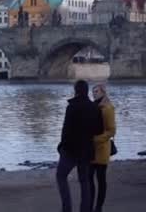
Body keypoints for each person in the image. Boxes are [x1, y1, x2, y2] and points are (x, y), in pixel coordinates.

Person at [56, 80, 104, 212]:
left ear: (76, 91)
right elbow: (99, 130)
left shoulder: (72, 107)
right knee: (84, 180)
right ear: (87, 91)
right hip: (87, 150)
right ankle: (85, 209)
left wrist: (61, 147)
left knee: (61, 176)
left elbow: (66, 130)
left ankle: (67, 208)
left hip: (70, 149)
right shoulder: (94, 108)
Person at [90, 84, 116, 212]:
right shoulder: (92, 106)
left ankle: (98, 207)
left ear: (103, 92)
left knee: (101, 180)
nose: (94, 93)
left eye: (97, 91)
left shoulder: (108, 108)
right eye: (93, 91)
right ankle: (90, 205)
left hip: (102, 150)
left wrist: (95, 140)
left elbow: (111, 131)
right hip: (91, 150)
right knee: (89, 180)